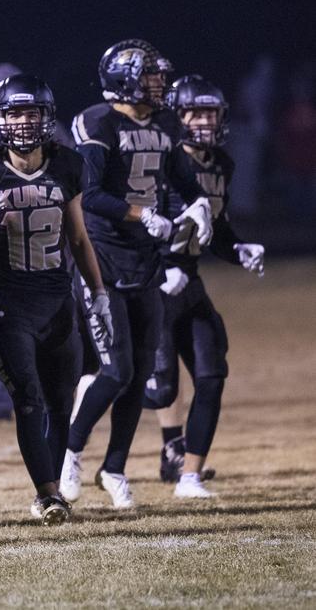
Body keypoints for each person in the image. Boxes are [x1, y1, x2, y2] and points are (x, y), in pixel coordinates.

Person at [60, 39, 213, 508]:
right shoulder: (98, 122)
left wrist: (200, 203)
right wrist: (140, 215)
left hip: (145, 261)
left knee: (142, 369)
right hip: (102, 259)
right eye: (150, 76)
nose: (159, 84)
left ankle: (114, 468)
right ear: (125, 78)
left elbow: (184, 179)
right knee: (117, 369)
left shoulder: (164, 124)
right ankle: (69, 452)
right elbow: (88, 194)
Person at [0, 74, 113, 524]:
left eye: (32, 112)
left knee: (61, 401)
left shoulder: (67, 164)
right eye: (14, 112)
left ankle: (49, 486)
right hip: (10, 303)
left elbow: (80, 238)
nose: (24, 122)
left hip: (58, 298)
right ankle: (49, 494)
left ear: (47, 117)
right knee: (28, 398)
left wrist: (98, 294)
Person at [144, 75, 265, 499]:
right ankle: (83, 451)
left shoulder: (221, 164)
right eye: (196, 112)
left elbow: (218, 227)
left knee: (212, 374)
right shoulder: (162, 160)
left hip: (190, 281)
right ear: (177, 116)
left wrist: (239, 249)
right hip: (156, 280)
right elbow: (142, 224)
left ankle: (189, 476)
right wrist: (162, 268)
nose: (204, 122)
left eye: (211, 113)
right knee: (157, 387)